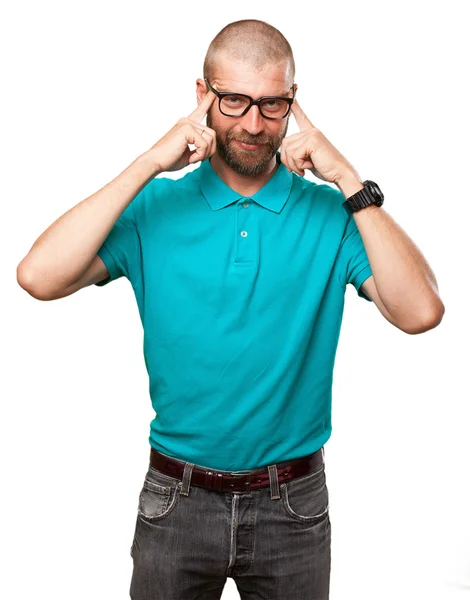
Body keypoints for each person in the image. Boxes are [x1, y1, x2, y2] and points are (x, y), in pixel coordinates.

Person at [17, 18, 445, 600]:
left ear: (293, 104)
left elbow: (420, 312)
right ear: (203, 96)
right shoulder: (155, 209)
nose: (252, 122)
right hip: (176, 498)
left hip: (291, 504)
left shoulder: (332, 214)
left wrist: (348, 178)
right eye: (234, 100)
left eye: (272, 104)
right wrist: (149, 162)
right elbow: (38, 277)